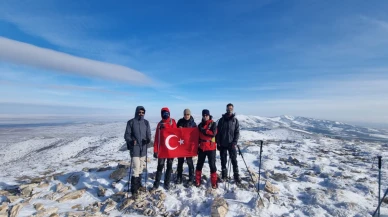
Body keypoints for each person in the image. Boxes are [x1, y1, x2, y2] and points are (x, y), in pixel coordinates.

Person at [124, 106, 151, 198]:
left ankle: (139, 185)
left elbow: (149, 134)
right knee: (136, 168)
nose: (141, 114)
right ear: (136, 112)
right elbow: (127, 135)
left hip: (143, 149)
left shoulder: (146, 123)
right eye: (139, 112)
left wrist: (147, 140)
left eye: (143, 112)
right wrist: (131, 141)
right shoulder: (131, 122)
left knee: (140, 168)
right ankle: (134, 190)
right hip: (134, 149)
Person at [153, 107, 177, 190]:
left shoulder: (173, 122)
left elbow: (176, 134)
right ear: (161, 114)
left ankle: (167, 183)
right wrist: (155, 150)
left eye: (167, 113)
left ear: (169, 113)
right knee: (160, 166)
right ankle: (156, 183)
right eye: (164, 113)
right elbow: (156, 138)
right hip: (162, 150)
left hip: (170, 149)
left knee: (169, 167)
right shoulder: (160, 124)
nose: (165, 114)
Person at [216, 103, 241, 184]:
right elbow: (218, 132)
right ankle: (224, 175)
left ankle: (236, 175)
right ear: (226, 109)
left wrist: (234, 142)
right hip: (223, 144)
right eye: (228, 108)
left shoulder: (235, 120)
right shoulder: (221, 120)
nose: (229, 109)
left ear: (232, 109)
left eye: (231, 108)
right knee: (223, 160)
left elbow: (237, 132)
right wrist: (218, 142)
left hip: (232, 144)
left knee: (234, 160)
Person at [195, 109, 218, 189]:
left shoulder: (213, 124)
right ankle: (197, 180)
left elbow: (213, 133)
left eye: (206, 115)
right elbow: (197, 136)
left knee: (212, 165)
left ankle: (214, 182)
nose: (205, 116)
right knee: (199, 164)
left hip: (211, 147)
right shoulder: (200, 125)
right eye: (204, 115)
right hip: (202, 147)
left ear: (209, 115)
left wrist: (205, 131)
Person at [176, 109, 197, 185]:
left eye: (188, 114)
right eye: (185, 114)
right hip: (181, 145)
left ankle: (191, 178)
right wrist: (179, 129)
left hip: (189, 146)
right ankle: (179, 177)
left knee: (189, 162)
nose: (186, 116)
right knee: (180, 162)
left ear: (190, 115)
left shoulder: (193, 124)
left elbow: (195, 135)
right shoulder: (180, 122)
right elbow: (175, 132)